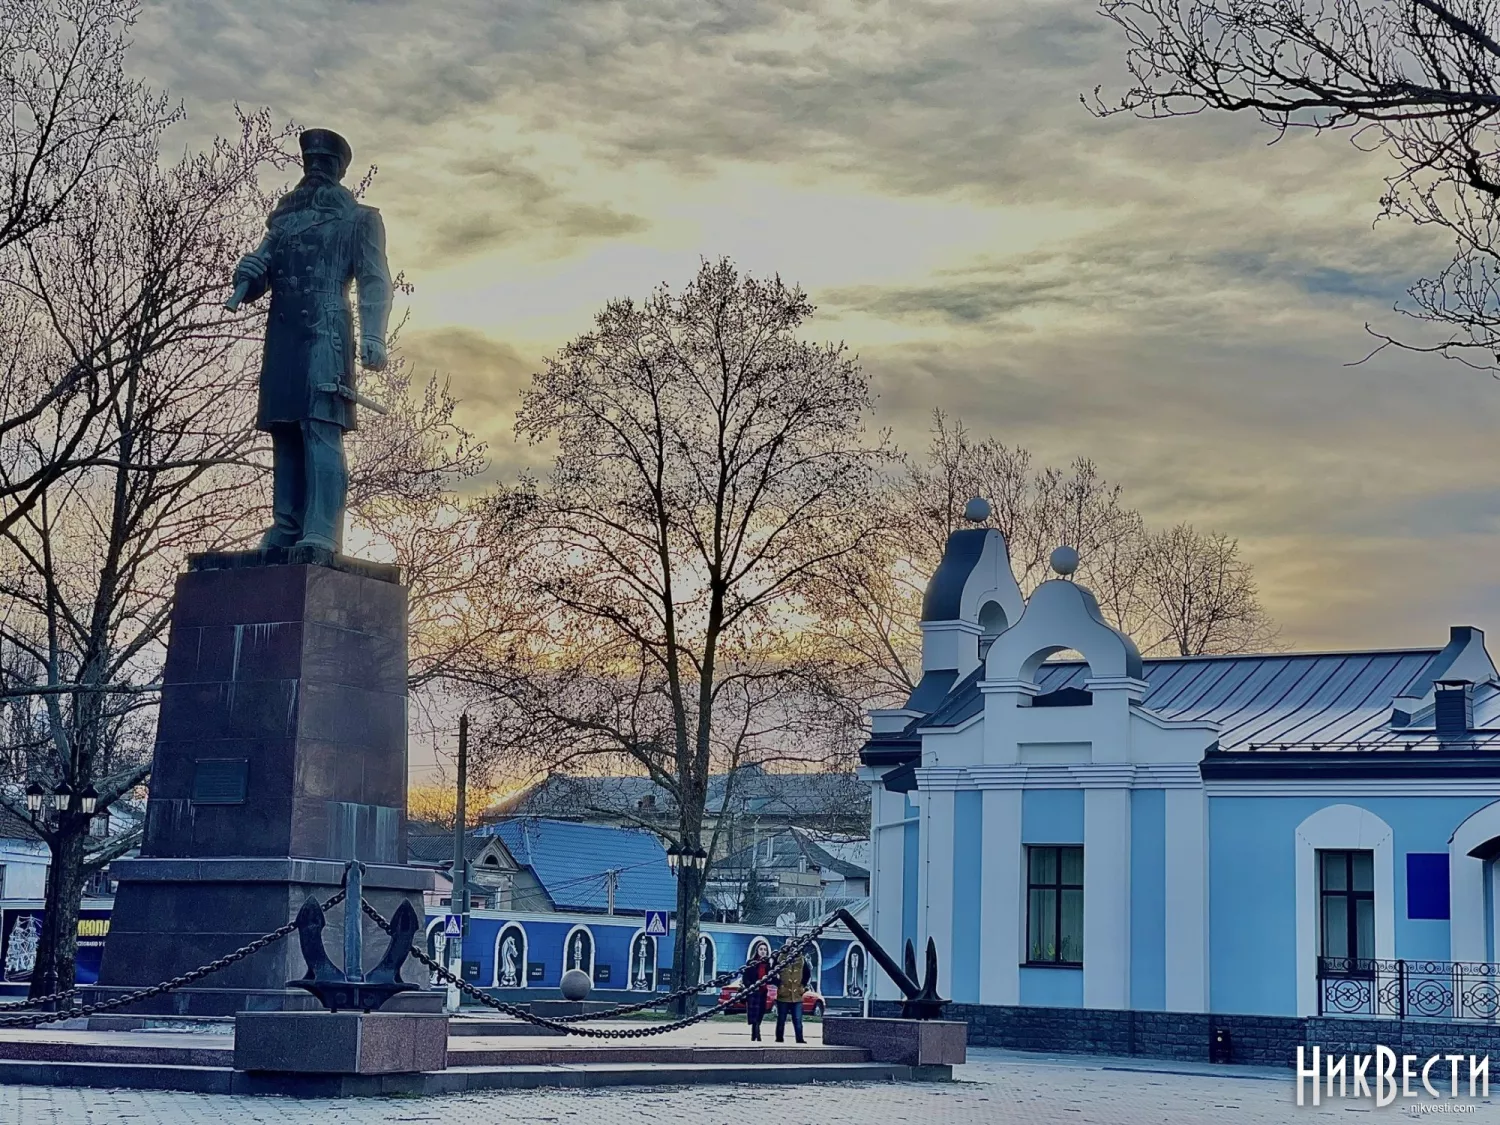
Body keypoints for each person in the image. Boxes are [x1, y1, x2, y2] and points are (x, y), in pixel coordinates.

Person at [773, 951, 808, 1044]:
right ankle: (779, 1039)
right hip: (783, 995)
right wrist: (779, 985)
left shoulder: (801, 959)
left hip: (797, 996)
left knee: (798, 1019)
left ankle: (800, 1039)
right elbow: (772, 973)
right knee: (781, 1019)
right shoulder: (780, 959)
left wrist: (802, 986)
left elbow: (807, 974)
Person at [742, 952, 770, 1042]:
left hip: (763, 991)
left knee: (761, 1013)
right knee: (755, 1014)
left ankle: (755, 1033)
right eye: (761, 949)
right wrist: (751, 986)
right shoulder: (751, 963)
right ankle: (757, 1034)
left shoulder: (767, 963)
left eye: (765, 949)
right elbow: (745, 977)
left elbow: (771, 976)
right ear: (757, 950)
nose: (763, 951)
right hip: (754, 992)